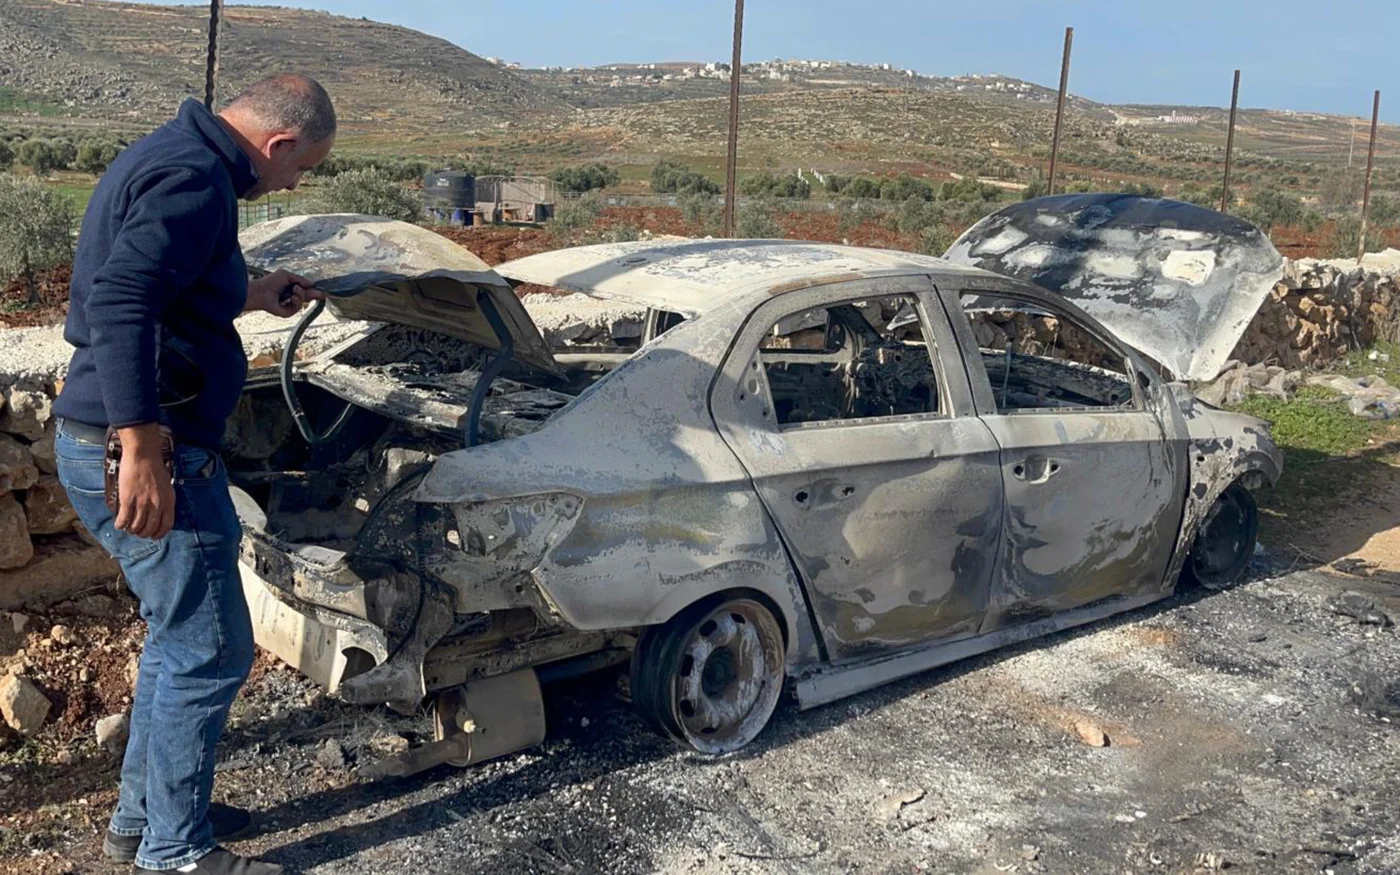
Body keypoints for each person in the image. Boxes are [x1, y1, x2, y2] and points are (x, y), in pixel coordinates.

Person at [52, 74, 336, 875]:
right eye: (300, 169)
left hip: (123, 435)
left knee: (182, 638)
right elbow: (122, 299)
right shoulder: (194, 179)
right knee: (212, 649)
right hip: (145, 444)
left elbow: (169, 285)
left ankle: (140, 821)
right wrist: (141, 444)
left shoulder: (175, 154)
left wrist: (250, 291)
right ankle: (175, 851)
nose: (291, 183)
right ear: (278, 145)